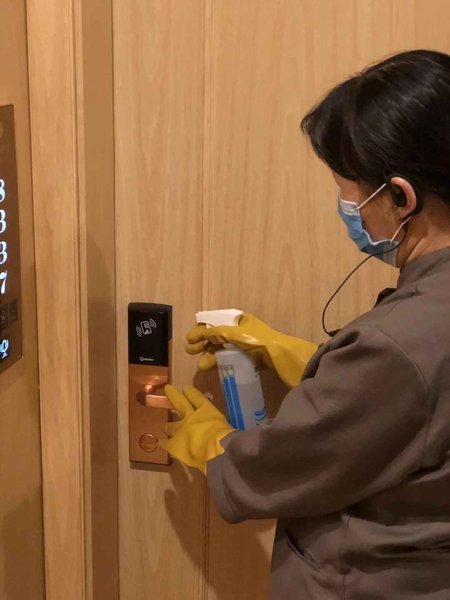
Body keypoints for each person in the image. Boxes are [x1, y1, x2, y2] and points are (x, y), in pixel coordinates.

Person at [158, 49, 450, 599]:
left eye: (348, 191)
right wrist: (306, 357)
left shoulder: (400, 342)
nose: (346, 207)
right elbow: (413, 409)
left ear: (401, 196)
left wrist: (214, 444)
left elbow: (289, 465)